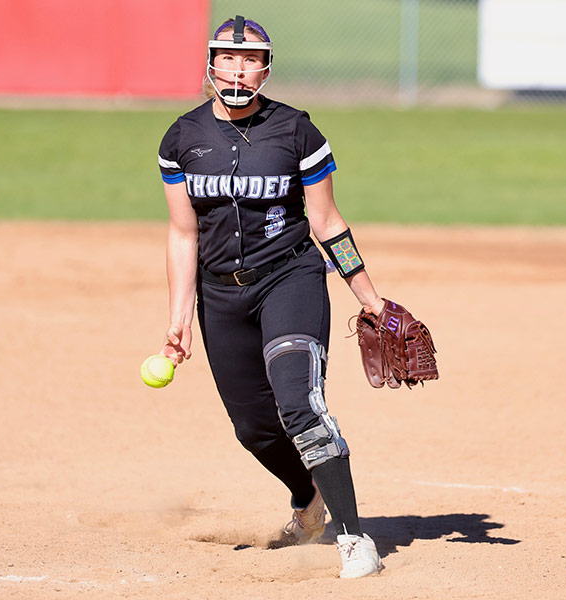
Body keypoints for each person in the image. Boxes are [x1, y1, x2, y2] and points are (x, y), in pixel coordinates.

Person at [156, 15, 384, 578]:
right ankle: (309, 500)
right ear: (211, 65)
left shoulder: (296, 131)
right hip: (220, 296)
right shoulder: (181, 138)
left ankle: (353, 538)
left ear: (265, 68)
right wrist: (179, 317)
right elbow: (184, 233)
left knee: (300, 404)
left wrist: (370, 298)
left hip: (290, 279)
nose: (238, 70)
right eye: (228, 59)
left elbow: (327, 223)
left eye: (251, 60)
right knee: (253, 428)